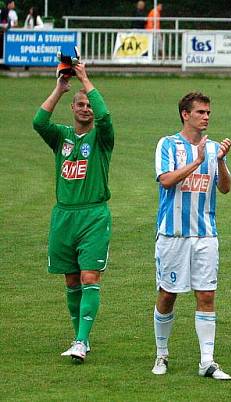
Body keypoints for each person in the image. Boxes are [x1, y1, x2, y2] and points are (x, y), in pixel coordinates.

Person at [32, 63, 113, 363]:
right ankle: (81, 336)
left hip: (93, 216)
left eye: (89, 105)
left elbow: (105, 116)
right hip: (64, 216)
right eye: (80, 104)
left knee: (89, 276)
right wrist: (60, 88)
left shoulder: (102, 138)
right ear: (72, 108)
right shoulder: (62, 137)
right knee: (71, 280)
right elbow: (39, 121)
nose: (86, 109)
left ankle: (80, 341)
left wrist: (85, 79)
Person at [151, 92, 231, 380]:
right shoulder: (168, 144)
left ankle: (207, 362)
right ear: (185, 114)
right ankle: (161, 354)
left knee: (207, 295)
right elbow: (166, 180)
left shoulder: (213, 148)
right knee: (168, 294)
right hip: (173, 234)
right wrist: (196, 162)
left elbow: (225, 188)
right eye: (200, 112)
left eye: (208, 112)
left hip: (205, 235)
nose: (207, 116)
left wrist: (221, 162)